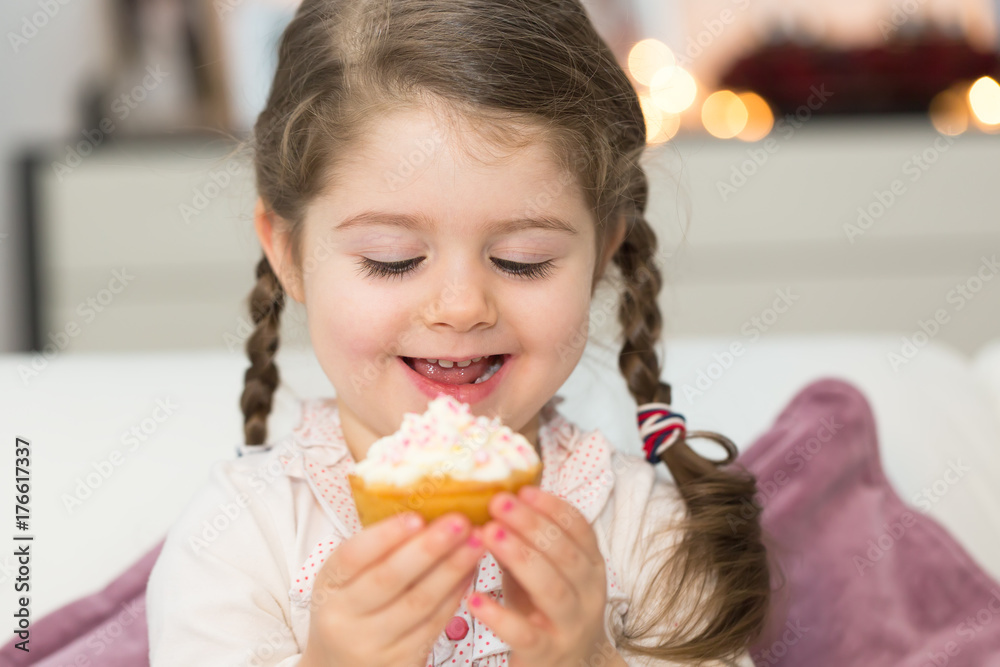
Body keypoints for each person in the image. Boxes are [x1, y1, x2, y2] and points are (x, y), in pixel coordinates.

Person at [146, 0, 771, 664]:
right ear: (289, 252)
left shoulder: (648, 534)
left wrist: (591, 658)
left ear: (601, 252)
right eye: (392, 258)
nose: (462, 305)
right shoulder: (241, 539)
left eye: (522, 260)